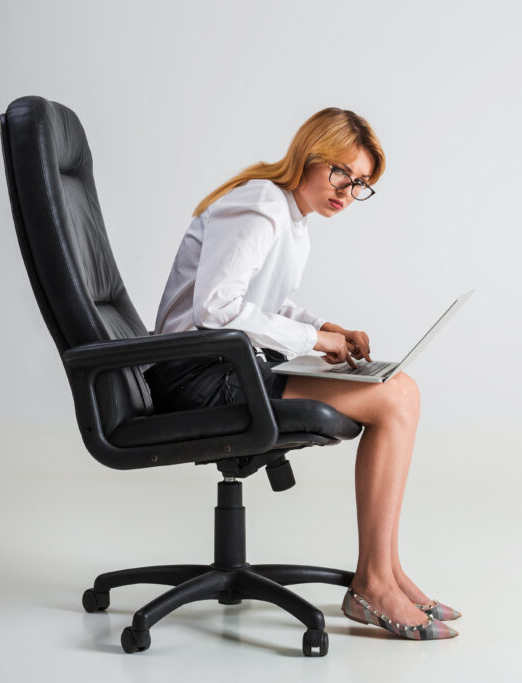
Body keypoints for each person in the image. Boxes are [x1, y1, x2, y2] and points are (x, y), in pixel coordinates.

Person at [143, 108, 460, 640]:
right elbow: (217, 310)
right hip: (196, 377)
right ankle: (374, 581)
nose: (348, 191)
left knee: (398, 391)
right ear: (311, 156)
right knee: (396, 397)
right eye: (342, 173)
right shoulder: (262, 204)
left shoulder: (291, 219)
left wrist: (325, 326)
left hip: (228, 366)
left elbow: (267, 301)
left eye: (360, 184)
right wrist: (316, 342)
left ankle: (384, 570)